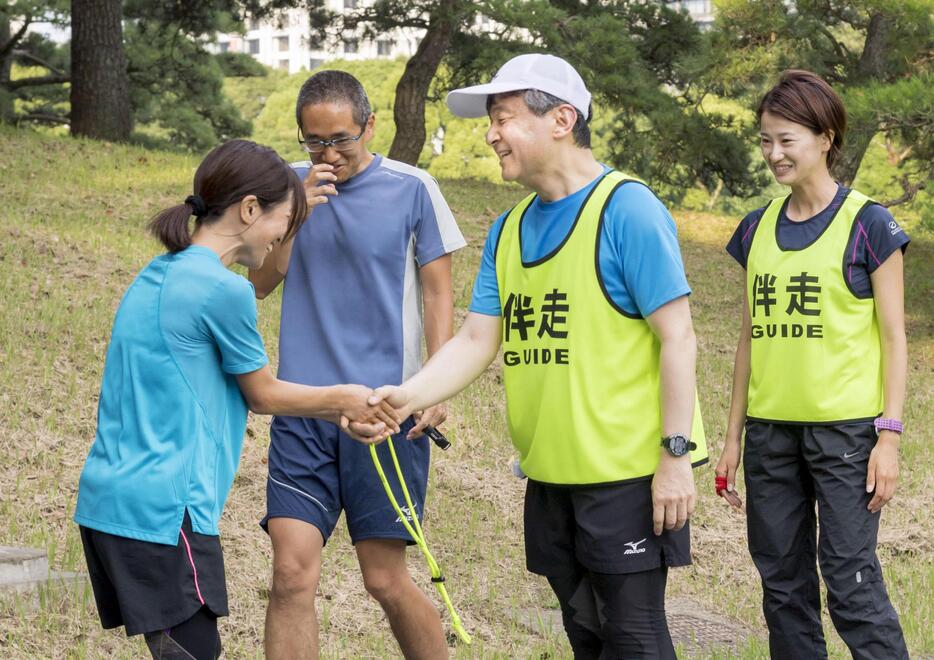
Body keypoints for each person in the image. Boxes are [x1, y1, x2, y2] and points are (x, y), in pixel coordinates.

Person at [371, 53, 708, 659]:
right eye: (490, 121)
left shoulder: (626, 209)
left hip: (627, 475)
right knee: (585, 633)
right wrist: (405, 397)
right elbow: (478, 340)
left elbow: (678, 337)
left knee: (633, 637)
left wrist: (675, 457)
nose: (492, 134)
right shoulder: (510, 227)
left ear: (561, 119)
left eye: (503, 118)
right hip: (551, 474)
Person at [74, 139, 399, 660]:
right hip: (166, 509)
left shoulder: (154, 275)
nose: (282, 237)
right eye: (284, 221)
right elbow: (264, 394)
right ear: (250, 209)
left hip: (109, 501)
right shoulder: (223, 290)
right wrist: (346, 399)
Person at [248, 70, 465, 659]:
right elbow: (261, 284)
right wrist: (298, 215)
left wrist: (435, 387)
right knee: (291, 574)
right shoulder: (287, 190)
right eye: (314, 142)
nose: (328, 155)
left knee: (383, 579)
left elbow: (438, 293)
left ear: (370, 125)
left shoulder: (413, 187)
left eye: (341, 139)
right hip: (303, 408)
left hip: (386, 411)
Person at [714, 70, 910, 659]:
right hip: (770, 436)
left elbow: (896, 339)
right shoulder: (755, 230)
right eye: (766, 140)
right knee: (782, 587)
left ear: (825, 138)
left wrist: (890, 437)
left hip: (847, 437)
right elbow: (750, 336)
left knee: (851, 584)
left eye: (787, 140)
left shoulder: (869, 225)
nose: (774, 153)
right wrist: (732, 438)